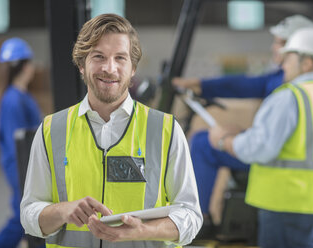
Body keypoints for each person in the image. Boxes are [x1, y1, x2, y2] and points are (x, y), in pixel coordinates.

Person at [20, 13, 202, 247]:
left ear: (133, 67)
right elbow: (29, 215)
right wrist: (63, 211)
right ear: (81, 65)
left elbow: (191, 215)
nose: (109, 68)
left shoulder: (165, 129)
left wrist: (142, 230)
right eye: (98, 57)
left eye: (120, 58)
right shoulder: (51, 130)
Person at [208, 27, 313, 248]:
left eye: (289, 57)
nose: (282, 64)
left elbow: (259, 148)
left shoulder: (290, 98)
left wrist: (223, 141)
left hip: (290, 208)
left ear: (306, 62)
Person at [171, 15, 313, 226]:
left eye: (281, 43)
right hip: (288, 158)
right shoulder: (287, 80)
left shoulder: (289, 86)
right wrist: (198, 84)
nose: (275, 48)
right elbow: (242, 85)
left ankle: (197, 220)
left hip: (282, 164)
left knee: (204, 143)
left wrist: (227, 140)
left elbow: (246, 88)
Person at [0, 38, 42, 248]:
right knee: (24, 218)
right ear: (25, 66)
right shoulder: (13, 99)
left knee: (29, 218)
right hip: (19, 167)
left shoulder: (20, 95)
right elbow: (16, 144)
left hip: (24, 166)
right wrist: (25, 176)